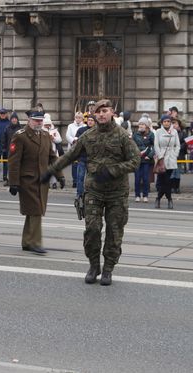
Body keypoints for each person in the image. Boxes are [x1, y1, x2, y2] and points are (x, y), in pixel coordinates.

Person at [42, 100, 140, 286]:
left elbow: (135, 161)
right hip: (94, 191)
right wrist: (51, 171)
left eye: (105, 111)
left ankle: (108, 268)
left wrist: (112, 170)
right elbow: (70, 156)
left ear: (112, 112)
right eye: (98, 112)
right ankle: (94, 266)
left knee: (114, 232)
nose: (101, 114)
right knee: (92, 230)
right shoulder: (88, 136)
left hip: (117, 193)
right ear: (93, 115)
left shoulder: (122, 136)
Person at [9, 108, 65, 255]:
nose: (39, 123)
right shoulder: (20, 136)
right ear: (29, 120)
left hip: (43, 180)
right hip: (27, 180)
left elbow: (52, 157)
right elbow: (14, 161)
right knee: (36, 210)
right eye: (36, 120)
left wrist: (60, 175)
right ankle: (35, 242)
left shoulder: (45, 135)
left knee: (33, 211)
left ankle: (27, 242)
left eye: (41, 120)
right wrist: (13, 182)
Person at [154, 115, 180, 209]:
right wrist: (160, 156)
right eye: (164, 121)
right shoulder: (158, 132)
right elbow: (156, 145)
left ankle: (159, 198)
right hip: (162, 158)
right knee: (163, 181)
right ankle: (169, 199)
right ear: (162, 122)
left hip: (171, 158)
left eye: (168, 121)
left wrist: (175, 154)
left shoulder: (174, 131)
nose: (166, 123)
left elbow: (177, 145)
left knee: (167, 181)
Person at [133, 119, 155, 203]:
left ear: (146, 126)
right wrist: (137, 153)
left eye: (143, 124)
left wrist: (149, 156)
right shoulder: (136, 135)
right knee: (137, 178)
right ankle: (137, 195)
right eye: (140, 124)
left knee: (146, 178)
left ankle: (145, 195)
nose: (141, 126)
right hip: (138, 159)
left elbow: (153, 146)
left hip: (146, 160)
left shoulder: (151, 134)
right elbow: (132, 146)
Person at [75, 115, 96, 197]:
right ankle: (79, 193)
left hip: (93, 159)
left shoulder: (97, 131)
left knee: (91, 179)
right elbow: (77, 141)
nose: (90, 122)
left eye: (92, 120)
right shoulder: (81, 130)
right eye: (89, 120)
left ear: (95, 122)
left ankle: (91, 194)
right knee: (80, 177)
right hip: (82, 158)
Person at [65, 112, 86, 187]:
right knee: (74, 165)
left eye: (79, 117)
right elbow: (68, 135)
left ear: (82, 118)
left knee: (81, 165)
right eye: (76, 117)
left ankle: (80, 181)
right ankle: (75, 180)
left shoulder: (84, 126)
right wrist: (73, 141)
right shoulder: (70, 126)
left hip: (81, 149)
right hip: (73, 147)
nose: (78, 119)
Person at [2, 112, 22, 186]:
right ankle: (9, 179)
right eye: (13, 119)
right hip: (9, 149)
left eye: (15, 119)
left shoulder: (20, 128)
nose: (14, 120)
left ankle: (17, 180)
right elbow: (4, 139)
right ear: (11, 120)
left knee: (17, 166)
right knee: (9, 165)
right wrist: (4, 148)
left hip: (18, 150)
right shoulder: (7, 128)